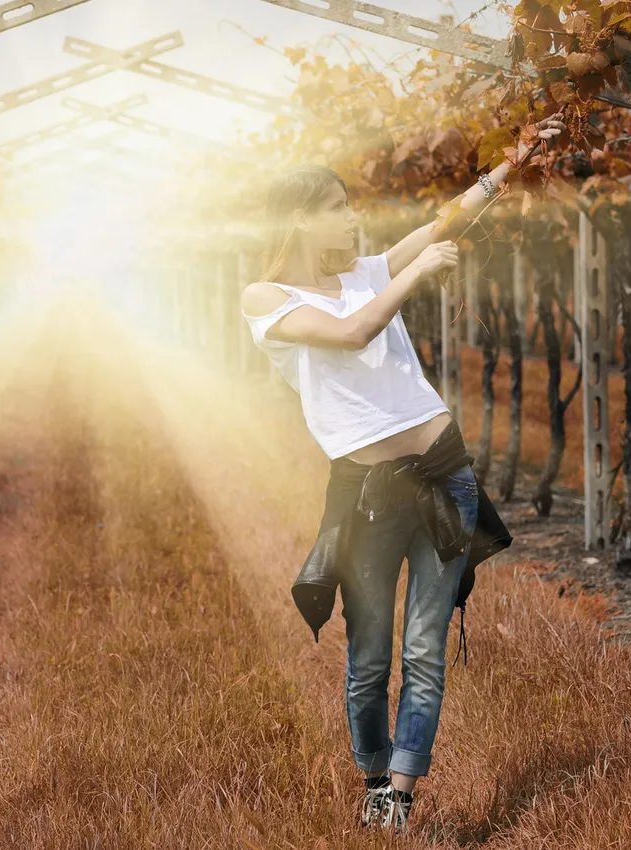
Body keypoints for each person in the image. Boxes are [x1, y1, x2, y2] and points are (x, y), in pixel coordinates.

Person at [238, 119, 563, 834]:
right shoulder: (266, 299)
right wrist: (413, 273)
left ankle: (403, 799)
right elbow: (352, 336)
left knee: (425, 649)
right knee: (370, 658)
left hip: (446, 473)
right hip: (371, 497)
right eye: (337, 205)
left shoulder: (365, 272)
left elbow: (445, 221)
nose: (351, 216)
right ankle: (374, 777)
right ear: (299, 215)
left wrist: (510, 165)